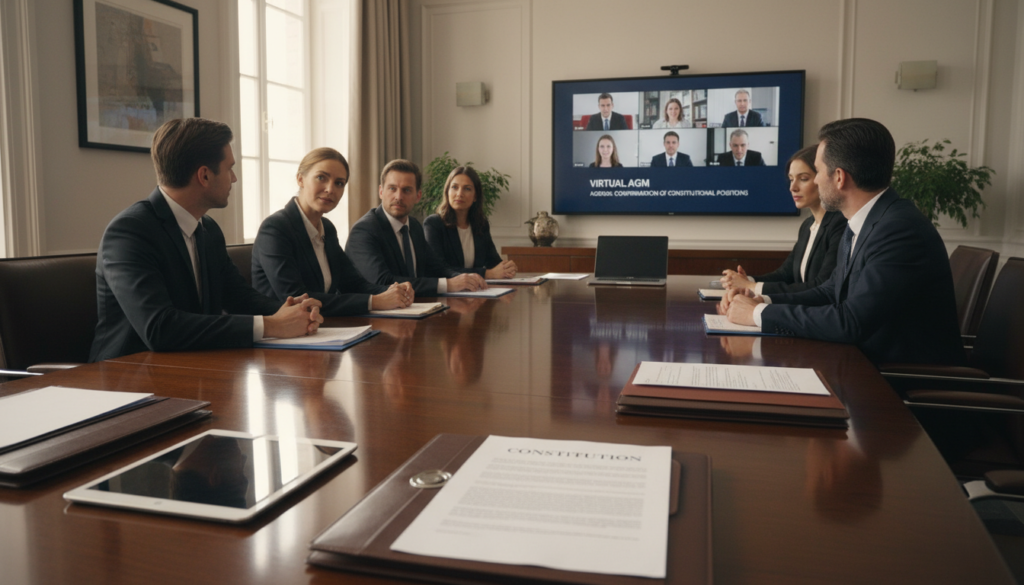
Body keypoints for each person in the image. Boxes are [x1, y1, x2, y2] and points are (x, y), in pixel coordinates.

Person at [719, 118, 964, 366]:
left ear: (839, 177)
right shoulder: (864, 221)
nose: (814, 181)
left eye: (817, 172)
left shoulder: (899, 230)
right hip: (861, 364)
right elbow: (829, 292)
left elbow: (851, 322)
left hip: (900, 382)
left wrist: (756, 314)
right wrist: (764, 301)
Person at [89, 118, 323, 362]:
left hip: (193, 366)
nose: (234, 178)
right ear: (204, 176)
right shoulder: (129, 232)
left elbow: (238, 297)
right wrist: (271, 325)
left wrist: (292, 311)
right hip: (126, 378)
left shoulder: (208, 229)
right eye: (230, 168)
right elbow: (160, 328)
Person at [251, 147, 415, 316]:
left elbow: (353, 284)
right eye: (321, 177)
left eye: (339, 183)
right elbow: (297, 298)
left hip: (322, 328)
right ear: (300, 179)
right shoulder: (275, 228)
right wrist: (374, 301)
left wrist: (393, 290)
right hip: (281, 334)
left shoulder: (327, 228)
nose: (330, 189)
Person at [346, 159, 487, 296]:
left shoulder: (413, 226)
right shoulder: (365, 230)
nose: (398, 196)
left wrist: (465, 279)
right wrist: (449, 284)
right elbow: (383, 281)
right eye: (392, 189)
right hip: (372, 316)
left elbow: (436, 267)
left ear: (418, 196)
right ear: (381, 191)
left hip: (413, 309)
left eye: (407, 190)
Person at [720, 145, 846, 294]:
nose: (793, 187)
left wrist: (751, 287)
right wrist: (747, 281)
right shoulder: (807, 225)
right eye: (791, 179)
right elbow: (785, 275)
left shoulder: (841, 223)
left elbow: (822, 286)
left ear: (822, 178)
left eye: (803, 179)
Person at [423, 166, 518, 279]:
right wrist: (487, 274)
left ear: (475, 196)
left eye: (467, 189)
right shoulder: (433, 224)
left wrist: (506, 267)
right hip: (447, 293)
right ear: (447, 192)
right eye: (454, 187)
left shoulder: (481, 224)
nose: (459, 194)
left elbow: (493, 261)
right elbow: (439, 269)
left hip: (476, 291)